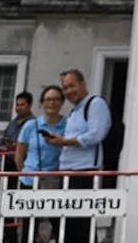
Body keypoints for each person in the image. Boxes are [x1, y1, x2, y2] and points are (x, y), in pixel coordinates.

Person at [44, 69, 111, 243]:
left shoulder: (95, 104)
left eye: (71, 86)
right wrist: (58, 141)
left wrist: (65, 142)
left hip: (83, 172)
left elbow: (95, 135)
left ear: (83, 83)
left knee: (81, 226)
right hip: (66, 171)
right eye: (65, 88)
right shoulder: (74, 111)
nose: (68, 91)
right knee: (64, 224)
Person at [15, 85, 67, 243]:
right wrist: (24, 173)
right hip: (30, 181)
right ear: (42, 103)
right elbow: (19, 154)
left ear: (62, 102)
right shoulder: (31, 125)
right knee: (29, 227)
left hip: (56, 182)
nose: (52, 103)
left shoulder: (68, 125)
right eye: (48, 99)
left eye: (56, 99)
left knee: (59, 226)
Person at [1, 91, 34, 171]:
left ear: (29, 105)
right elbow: (3, 141)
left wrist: (18, 145)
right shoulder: (12, 123)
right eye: (17, 105)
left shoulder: (33, 124)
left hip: (25, 163)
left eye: (22, 105)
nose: (19, 108)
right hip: (9, 163)